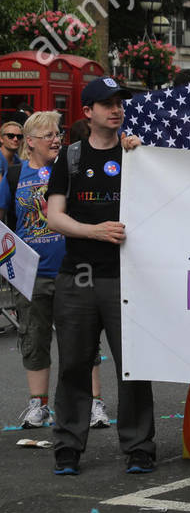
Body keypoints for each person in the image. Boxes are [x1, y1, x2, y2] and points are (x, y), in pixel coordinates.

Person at [46, 77, 155, 476]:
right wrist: (93, 231)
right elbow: (53, 216)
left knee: (133, 365)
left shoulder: (137, 153)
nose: (116, 109)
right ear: (87, 112)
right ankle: (68, 446)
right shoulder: (70, 158)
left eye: (120, 103)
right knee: (74, 363)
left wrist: (145, 155)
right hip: (78, 277)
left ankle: (139, 446)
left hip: (126, 278)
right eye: (106, 104)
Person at [6, 113, 111, 431]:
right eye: (48, 134)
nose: (56, 139)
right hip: (31, 274)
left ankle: (94, 403)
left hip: (72, 270)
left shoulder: (71, 168)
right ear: (31, 141)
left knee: (83, 340)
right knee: (33, 339)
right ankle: (38, 406)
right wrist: (8, 265)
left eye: (58, 133)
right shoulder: (13, 176)